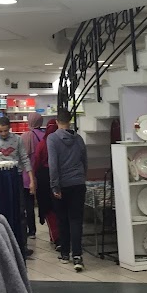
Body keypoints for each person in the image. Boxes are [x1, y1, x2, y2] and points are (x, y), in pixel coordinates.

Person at [0, 116, 36, 258]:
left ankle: (22, 246)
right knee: (0, 212)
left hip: (16, 178)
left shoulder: (17, 140)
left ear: (10, 128)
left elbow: (25, 159)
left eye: (6, 131)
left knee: (20, 211)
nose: (3, 134)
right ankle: (1, 246)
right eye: (0, 131)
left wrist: (31, 180)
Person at [47, 107, 88, 272]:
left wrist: (54, 185)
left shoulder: (52, 139)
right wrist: (82, 177)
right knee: (76, 220)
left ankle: (65, 253)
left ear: (57, 122)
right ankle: (77, 255)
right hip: (78, 183)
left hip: (62, 184)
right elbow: (84, 160)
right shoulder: (79, 139)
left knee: (62, 219)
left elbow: (53, 165)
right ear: (70, 121)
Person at [33, 118, 60, 248]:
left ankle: (55, 237)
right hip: (60, 176)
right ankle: (63, 236)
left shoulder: (43, 143)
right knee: (60, 208)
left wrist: (34, 175)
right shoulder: (61, 142)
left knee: (48, 208)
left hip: (44, 177)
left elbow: (37, 160)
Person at [21, 112, 44, 239]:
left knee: (28, 204)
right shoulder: (45, 136)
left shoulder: (25, 136)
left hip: (27, 175)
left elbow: (21, 156)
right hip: (42, 174)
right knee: (45, 203)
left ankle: (32, 230)